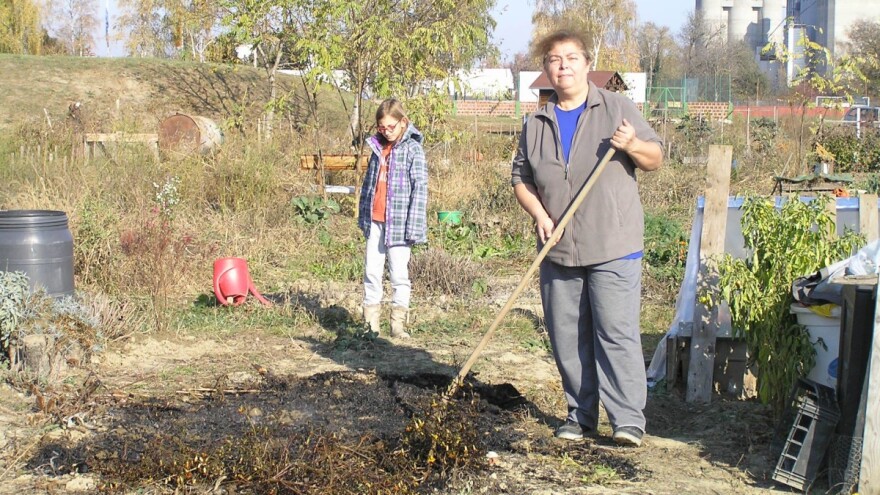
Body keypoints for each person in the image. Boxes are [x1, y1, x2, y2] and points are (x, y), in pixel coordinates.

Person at [511, 30, 663, 447]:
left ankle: (628, 420)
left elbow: (655, 158)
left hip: (613, 244)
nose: (563, 66)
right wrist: (540, 214)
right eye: (554, 59)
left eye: (571, 57)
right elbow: (521, 178)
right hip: (558, 247)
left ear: (586, 62)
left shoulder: (615, 107)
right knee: (567, 336)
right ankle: (580, 416)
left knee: (615, 331)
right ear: (545, 69)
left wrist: (632, 144)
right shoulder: (535, 122)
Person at [358, 99, 428, 339]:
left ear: (403, 123)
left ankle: (398, 324)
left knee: (399, 274)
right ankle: (370, 325)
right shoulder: (377, 149)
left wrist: (414, 225)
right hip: (375, 220)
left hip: (399, 223)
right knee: (371, 271)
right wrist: (363, 217)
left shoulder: (412, 149)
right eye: (381, 128)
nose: (386, 132)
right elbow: (369, 185)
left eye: (390, 127)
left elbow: (420, 188)